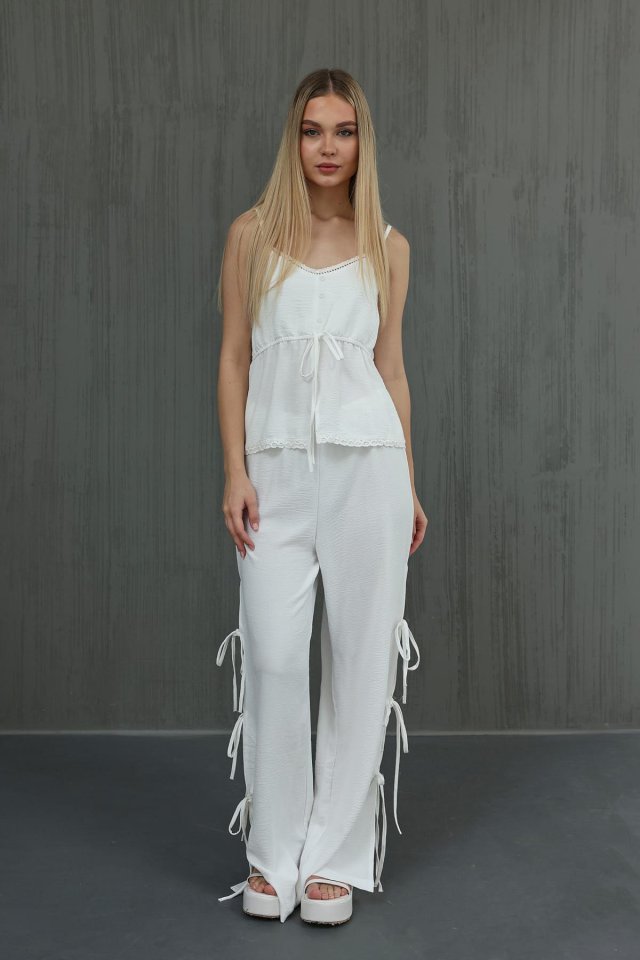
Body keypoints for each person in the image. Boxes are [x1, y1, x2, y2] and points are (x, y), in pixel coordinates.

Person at [215, 67, 428, 926]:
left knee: (362, 658)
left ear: (361, 141)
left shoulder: (388, 247)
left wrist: (409, 481)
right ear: (293, 139)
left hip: (367, 472)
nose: (328, 147)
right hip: (274, 476)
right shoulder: (251, 236)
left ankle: (335, 859)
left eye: (343, 131)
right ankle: (273, 853)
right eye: (313, 130)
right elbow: (234, 358)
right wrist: (235, 471)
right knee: (273, 654)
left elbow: (391, 370)